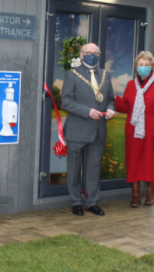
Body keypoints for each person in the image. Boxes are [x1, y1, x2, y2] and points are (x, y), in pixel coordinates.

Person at [61, 43, 115, 216]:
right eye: (88, 52)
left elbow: (111, 99)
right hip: (77, 130)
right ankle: (76, 201)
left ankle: (92, 202)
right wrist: (87, 112)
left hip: (98, 130)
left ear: (99, 55)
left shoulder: (106, 75)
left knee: (93, 169)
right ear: (82, 55)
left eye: (95, 53)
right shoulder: (72, 74)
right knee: (74, 168)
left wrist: (111, 109)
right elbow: (66, 101)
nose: (92, 55)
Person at [114, 51, 154, 207]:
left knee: (151, 161)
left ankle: (149, 193)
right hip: (134, 130)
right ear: (136, 67)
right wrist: (114, 99)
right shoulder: (130, 85)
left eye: (147, 65)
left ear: (152, 67)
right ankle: (135, 195)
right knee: (133, 161)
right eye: (141, 65)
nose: (143, 67)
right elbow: (127, 106)